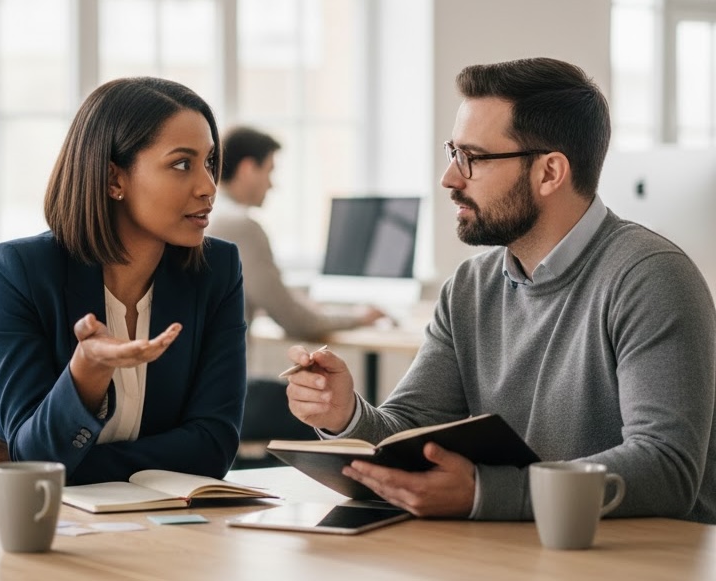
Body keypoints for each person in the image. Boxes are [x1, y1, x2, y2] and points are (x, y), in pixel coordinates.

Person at [283, 57, 716, 523]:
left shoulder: (651, 277)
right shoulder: (471, 286)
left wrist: (484, 492)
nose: (449, 178)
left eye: (472, 158)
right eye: (452, 152)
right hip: (516, 551)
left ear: (549, 173)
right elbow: (407, 430)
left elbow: (665, 470)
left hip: (639, 561)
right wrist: (344, 414)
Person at [0, 77, 247, 490]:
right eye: (182, 164)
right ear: (113, 179)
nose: (208, 187)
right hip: (17, 518)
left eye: (210, 162)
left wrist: (43, 463)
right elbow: (32, 459)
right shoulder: (20, 272)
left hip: (147, 523)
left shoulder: (218, 270)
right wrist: (86, 374)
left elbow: (213, 448)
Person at [207, 126, 383, 342]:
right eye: (269, 171)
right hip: (223, 374)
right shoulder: (240, 225)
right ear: (248, 169)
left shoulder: (212, 214)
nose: (272, 185)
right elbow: (296, 321)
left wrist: (308, 305)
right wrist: (358, 317)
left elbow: (271, 294)